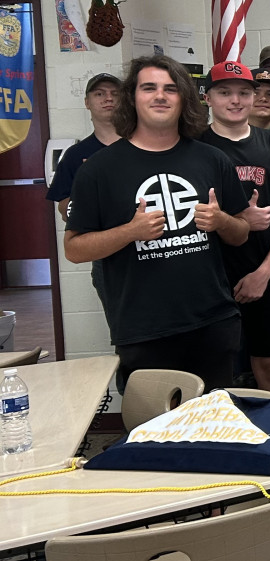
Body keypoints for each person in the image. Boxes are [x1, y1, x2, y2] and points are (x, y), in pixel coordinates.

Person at [64, 55, 249, 391]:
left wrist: (221, 220)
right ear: (132, 98)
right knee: (153, 423)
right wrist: (130, 232)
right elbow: (74, 249)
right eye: (149, 88)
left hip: (213, 322)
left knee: (214, 420)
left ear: (184, 99)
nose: (160, 96)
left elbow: (241, 234)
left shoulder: (212, 159)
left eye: (170, 89)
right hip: (143, 329)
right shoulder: (98, 170)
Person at [201, 62, 270, 393]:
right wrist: (242, 220)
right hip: (213, 278)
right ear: (208, 98)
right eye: (225, 92)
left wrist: (264, 273)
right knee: (213, 373)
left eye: (244, 93)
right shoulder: (194, 146)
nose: (235, 100)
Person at [48, 72, 121, 222]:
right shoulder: (75, 154)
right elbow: (64, 210)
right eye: (99, 94)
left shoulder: (142, 145)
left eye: (115, 93)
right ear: (87, 103)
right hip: (99, 233)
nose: (109, 98)